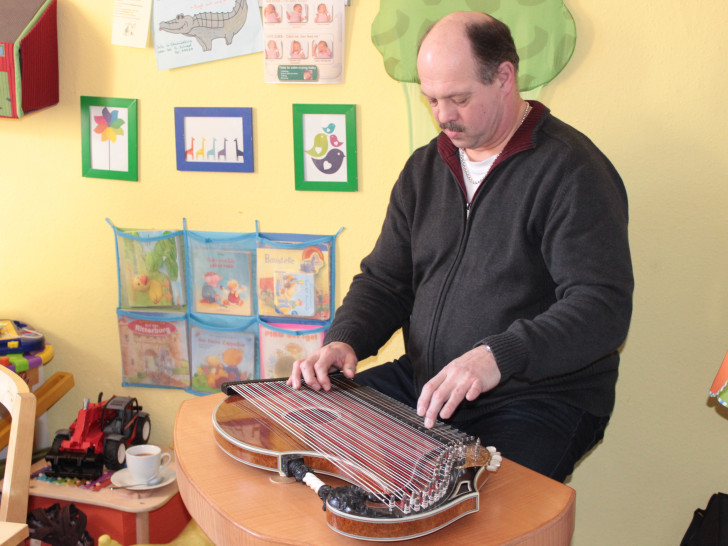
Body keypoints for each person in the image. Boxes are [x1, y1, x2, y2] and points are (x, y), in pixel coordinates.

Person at [288, 11, 633, 482]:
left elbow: (602, 308)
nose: (443, 115)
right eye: (431, 98)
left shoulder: (572, 171)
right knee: (301, 430)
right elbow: (387, 280)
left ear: (504, 78)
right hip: (429, 381)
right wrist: (345, 338)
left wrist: (497, 356)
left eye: (459, 98)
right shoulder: (425, 168)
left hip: (537, 397)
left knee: (476, 508)